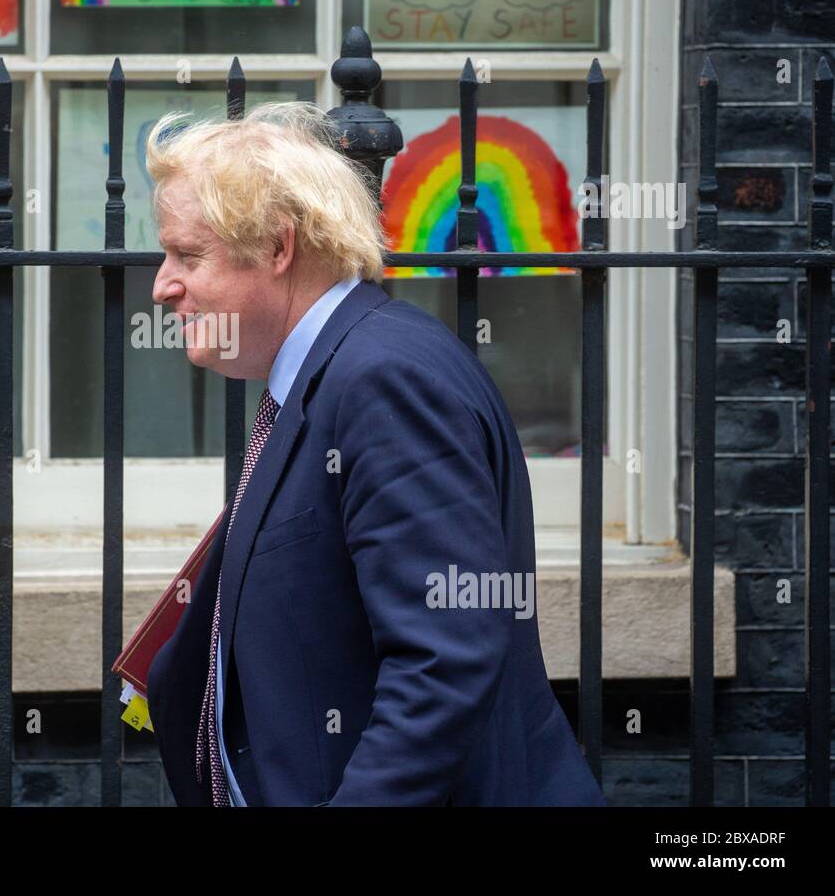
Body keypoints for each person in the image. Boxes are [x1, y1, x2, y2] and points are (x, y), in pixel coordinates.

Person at [142, 99, 606, 807]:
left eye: (187, 254)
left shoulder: (383, 380)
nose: (162, 285)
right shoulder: (330, 375)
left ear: (276, 246)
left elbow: (443, 661)